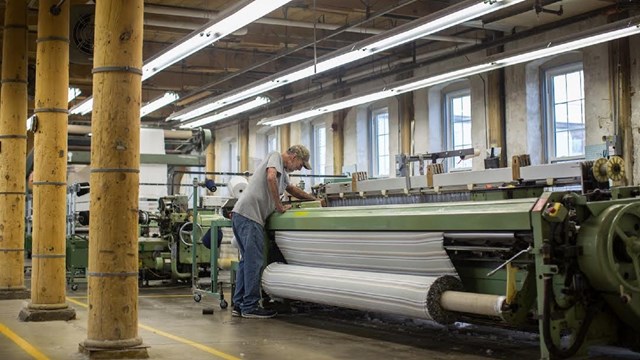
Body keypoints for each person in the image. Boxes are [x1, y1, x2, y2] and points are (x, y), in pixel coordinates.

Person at [231, 145, 317, 319]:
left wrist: (315, 199)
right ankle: (250, 306)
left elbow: (292, 190)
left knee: (246, 262)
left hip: (241, 214)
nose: (300, 168)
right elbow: (271, 178)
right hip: (251, 217)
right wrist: (278, 206)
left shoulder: (283, 174)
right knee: (254, 263)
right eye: (301, 164)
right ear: (293, 157)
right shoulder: (275, 156)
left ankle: (239, 304)